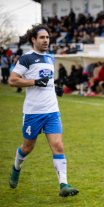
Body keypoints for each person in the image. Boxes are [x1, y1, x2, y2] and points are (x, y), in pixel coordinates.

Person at [8, 24, 78, 197]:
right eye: (42, 37)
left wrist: (55, 88)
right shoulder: (27, 58)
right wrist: (34, 82)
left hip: (52, 111)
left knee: (58, 146)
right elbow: (13, 80)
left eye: (47, 37)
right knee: (27, 147)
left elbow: (46, 81)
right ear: (34, 39)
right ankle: (16, 167)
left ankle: (64, 184)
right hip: (33, 113)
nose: (46, 40)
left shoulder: (50, 58)